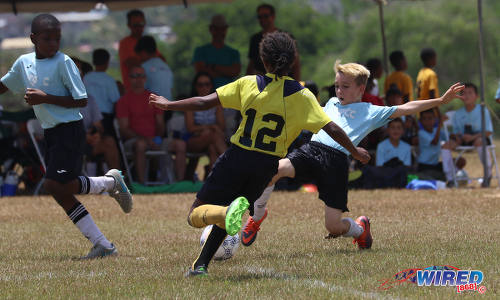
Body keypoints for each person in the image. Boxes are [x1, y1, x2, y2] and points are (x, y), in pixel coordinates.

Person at [149, 32, 370, 276]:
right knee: (233, 213)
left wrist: (168, 104)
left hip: (238, 157)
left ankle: (221, 217)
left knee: (195, 215)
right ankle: (200, 265)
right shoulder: (303, 96)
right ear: (293, 61)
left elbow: (204, 102)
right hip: (266, 166)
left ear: (262, 60)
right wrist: (355, 151)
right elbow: (332, 128)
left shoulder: (248, 84)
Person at [241, 61, 464, 249]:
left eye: (345, 86)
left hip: (336, 162)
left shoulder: (371, 111)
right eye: (337, 86)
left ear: (361, 88)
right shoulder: (331, 103)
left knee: (333, 226)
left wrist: (440, 101)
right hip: (312, 150)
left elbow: (408, 107)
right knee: (272, 170)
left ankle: (359, 229)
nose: (339, 91)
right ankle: (257, 217)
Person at [0, 14, 133, 258]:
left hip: (70, 131)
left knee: (55, 185)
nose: (53, 43)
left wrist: (44, 98)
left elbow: (81, 100)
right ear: (33, 38)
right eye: (47, 38)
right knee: (62, 189)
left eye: (57, 38)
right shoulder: (24, 62)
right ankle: (103, 238)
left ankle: (110, 187)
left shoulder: (64, 63)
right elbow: (4, 85)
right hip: (51, 133)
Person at [116, 65, 186, 184]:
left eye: (141, 75)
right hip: (134, 142)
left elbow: (160, 124)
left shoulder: (154, 98)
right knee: (141, 145)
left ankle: (180, 184)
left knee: (180, 145)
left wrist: (157, 140)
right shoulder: (123, 101)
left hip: (156, 140)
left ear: (145, 78)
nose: (138, 79)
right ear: (129, 79)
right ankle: (142, 184)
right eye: (135, 76)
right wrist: (146, 140)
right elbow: (124, 129)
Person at [192, 14, 241, 140]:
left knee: (229, 128)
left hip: (227, 101)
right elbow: (200, 71)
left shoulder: (233, 52)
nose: (220, 32)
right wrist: (225, 70)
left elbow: (235, 71)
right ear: (211, 29)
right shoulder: (201, 50)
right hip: (208, 101)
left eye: (222, 28)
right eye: (217, 28)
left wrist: (212, 67)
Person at [449, 83, 494, 184]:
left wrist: (472, 137)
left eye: (470, 93)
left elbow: (488, 131)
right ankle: (450, 177)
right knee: (446, 145)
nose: (467, 96)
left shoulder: (483, 111)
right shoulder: (457, 113)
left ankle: (488, 174)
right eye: (464, 93)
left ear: (476, 96)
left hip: (479, 139)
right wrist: (458, 137)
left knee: (479, 141)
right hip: (463, 140)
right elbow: (455, 133)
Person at [246, 3, 301, 80]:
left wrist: (297, 85)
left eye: (265, 16)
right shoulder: (255, 39)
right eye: (259, 17)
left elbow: (296, 64)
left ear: (273, 16)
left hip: (285, 83)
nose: (262, 19)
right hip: (263, 85)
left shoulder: (286, 37)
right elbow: (251, 64)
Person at [185, 72, 227, 172]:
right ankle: (231, 163)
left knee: (212, 148)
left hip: (211, 139)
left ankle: (211, 181)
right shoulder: (190, 104)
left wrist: (208, 130)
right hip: (193, 140)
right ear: (195, 87)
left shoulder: (217, 104)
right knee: (213, 136)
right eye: (200, 85)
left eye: (207, 84)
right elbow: (190, 128)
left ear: (211, 86)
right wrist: (210, 127)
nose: (204, 87)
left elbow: (221, 126)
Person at [118, 9, 164, 92]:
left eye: (141, 24)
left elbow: (162, 61)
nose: (139, 27)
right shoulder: (125, 43)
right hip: (133, 92)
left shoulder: (147, 42)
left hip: (151, 92)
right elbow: (132, 65)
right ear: (129, 25)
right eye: (135, 25)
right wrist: (150, 60)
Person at [360, 118, 411, 189]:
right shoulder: (381, 146)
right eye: (393, 127)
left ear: (403, 131)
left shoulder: (407, 147)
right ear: (387, 130)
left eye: (399, 128)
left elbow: (407, 166)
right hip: (384, 176)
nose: (395, 130)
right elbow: (380, 166)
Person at [83, 49, 121, 136]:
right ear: (107, 62)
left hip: (89, 116)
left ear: (93, 61)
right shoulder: (110, 80)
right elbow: (116, 101)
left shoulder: (86, 78)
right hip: (105, 118)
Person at [135, 35, 174, 101]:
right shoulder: (166, 67)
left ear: (143, 52)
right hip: (168, 106)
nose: (138, 58)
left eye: (139, 55)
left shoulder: (143, 68)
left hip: (153, 107)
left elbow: (138, 91)